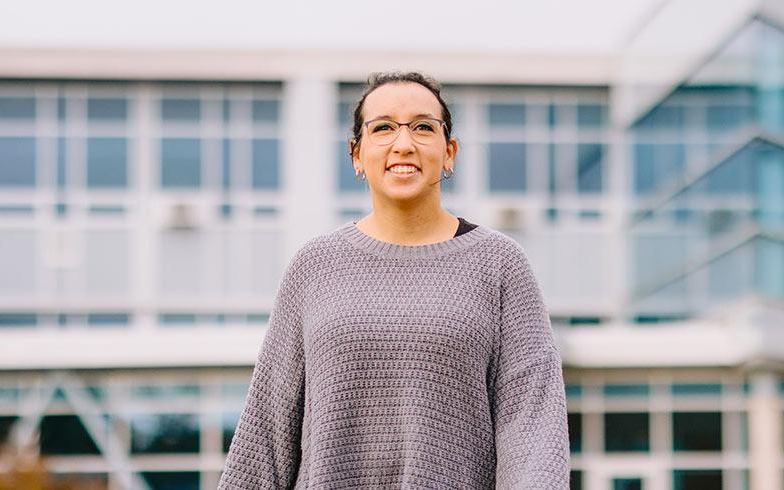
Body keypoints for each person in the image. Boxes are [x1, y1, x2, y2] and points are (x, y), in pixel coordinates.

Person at [218, 72, 569, 489]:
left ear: (449, 152)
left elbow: (532, 422)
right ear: (356, 154)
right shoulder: (315, 266)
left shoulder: (499, 264)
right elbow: (266, 432)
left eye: (423, 127)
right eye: (382, 127)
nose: (403, 143)